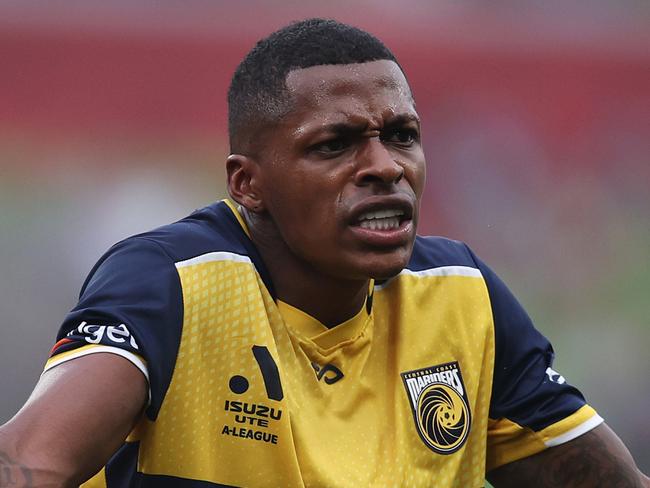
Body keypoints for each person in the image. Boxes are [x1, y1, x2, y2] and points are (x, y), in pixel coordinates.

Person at [0, 18, 647, 488]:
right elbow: (32, 461)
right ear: (246, 183)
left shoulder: (460, 296)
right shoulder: (178, 285)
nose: (384, 167)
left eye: (402, 136)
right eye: (335, 145)